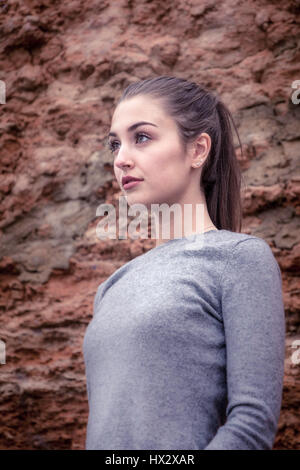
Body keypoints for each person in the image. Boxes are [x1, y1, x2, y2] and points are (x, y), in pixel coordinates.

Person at [82, 76, 286, 450]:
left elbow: (252, 423)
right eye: (115, 144)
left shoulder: (240, 259)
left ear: (197, 150)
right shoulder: (111, 287)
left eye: (141, 137)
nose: (120, 159)